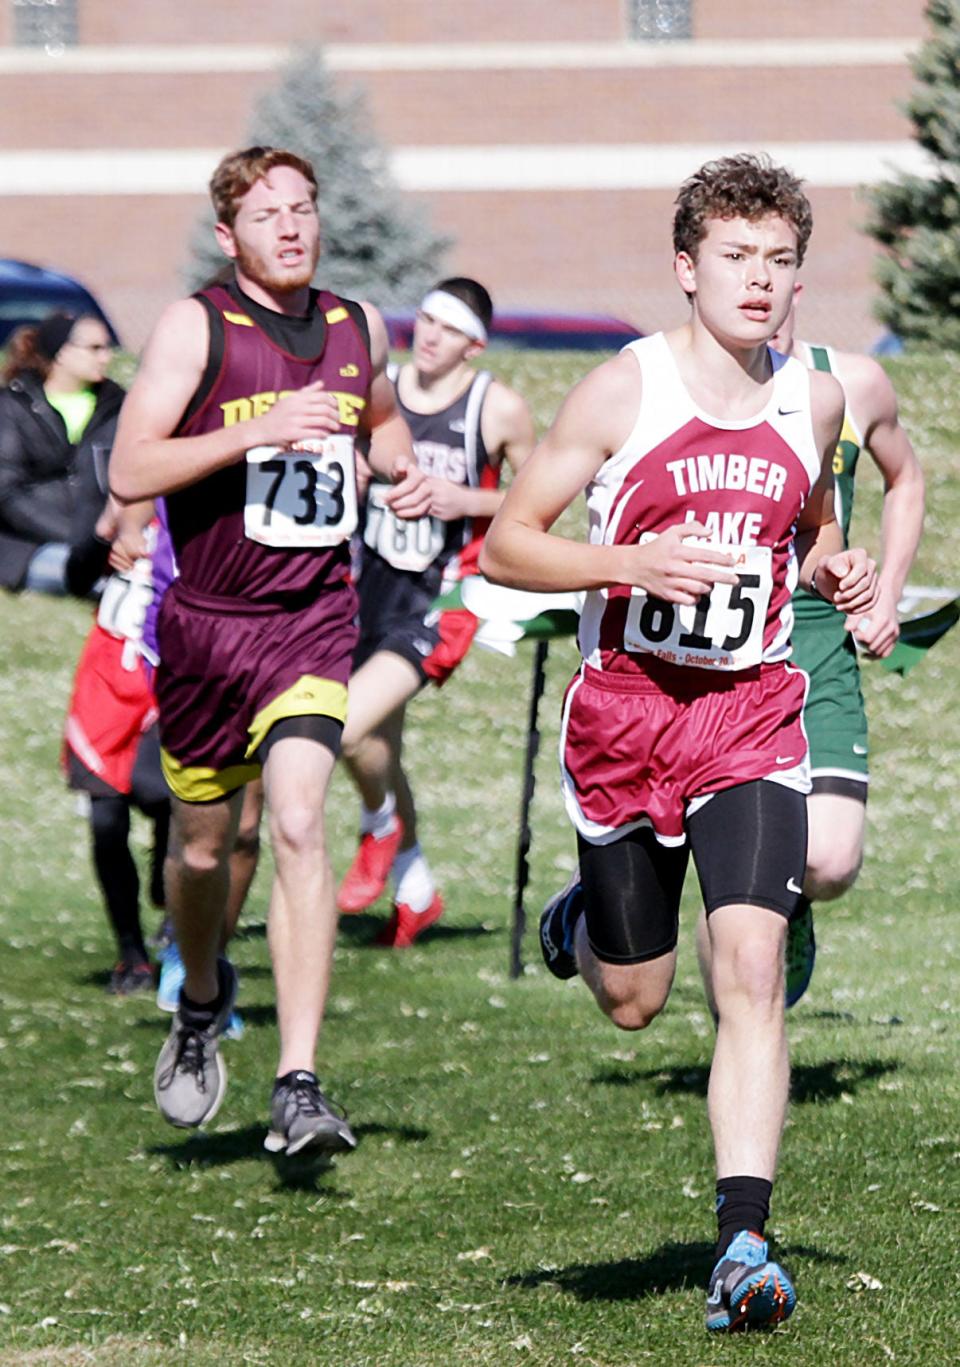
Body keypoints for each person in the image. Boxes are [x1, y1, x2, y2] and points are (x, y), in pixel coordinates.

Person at [479, 153, 879, 1332]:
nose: (760, 281)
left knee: (750, 970)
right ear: (687, 267)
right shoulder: (625, 392)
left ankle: (743, 1238)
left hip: (751, 705)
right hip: (627, 711)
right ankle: (586, 921)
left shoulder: (814, 397)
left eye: (780, 260)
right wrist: (627, 561)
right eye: (737, 258)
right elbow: (508, 544)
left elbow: (806, 525)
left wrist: (832, 566)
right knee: (635, 998)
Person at [109, 145, 429, 1157]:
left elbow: (383, 422)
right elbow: (130, 466)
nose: (290, 226)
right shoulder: (194, 326)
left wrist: (403, 471)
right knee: (205, 847)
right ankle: (200, 997)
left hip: (311, 619)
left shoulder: (355, 326)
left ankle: (298, 1079)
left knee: (297, 820)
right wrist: (253, 434)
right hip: (206, 627)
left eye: (303, 208)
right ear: (228, 235)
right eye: (266, 214)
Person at [336, 277, 536, 945]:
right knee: (378, 743)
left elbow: (541, 499)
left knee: (343, 727)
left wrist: (463, 500)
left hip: (440, 597)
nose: (429, 334)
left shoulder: (496, 407)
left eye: (447, 329)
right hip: (362, 586)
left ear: (473, 346)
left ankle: (380, 829)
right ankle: (416, 887)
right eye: (424, 319)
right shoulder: (379, 387)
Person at [763, 289, 924, 1006]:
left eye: (776, 262)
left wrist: (886, 591)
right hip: (728, 649)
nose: (759, 283)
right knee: (743, 874)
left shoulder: (853, 381)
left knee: (828, 860)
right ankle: (741, 1032)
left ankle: (789, 910)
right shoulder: (693, 386)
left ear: (800, 282)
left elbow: (906, 480)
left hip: (820, 639)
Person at [62, 501, 170, 996]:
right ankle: (131, 953)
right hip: (107, 680)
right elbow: (75, 577)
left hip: (171, 678)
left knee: (162, 792)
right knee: (106, 821)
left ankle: (171, 898)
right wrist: (106, 530)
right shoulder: (130, 507)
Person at [0, 312, 122, 595]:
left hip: (99, 543)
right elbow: (6, 493)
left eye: (107, 347)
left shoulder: (117, 407)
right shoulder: (13, 405)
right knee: (106, 584)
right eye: (94, 348)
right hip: (28, 546)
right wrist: (76, 538)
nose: (106, 357)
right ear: (61, 352)